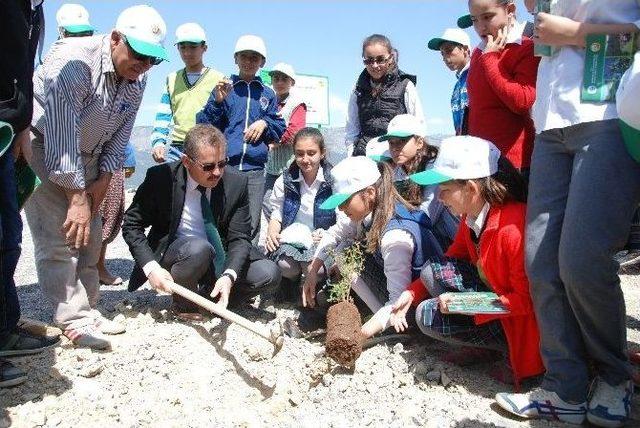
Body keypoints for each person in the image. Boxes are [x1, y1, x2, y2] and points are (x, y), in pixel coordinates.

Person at [495, 1, 640, 426]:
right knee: (540, 261)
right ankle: (566, 387)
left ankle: (615, 378)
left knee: (582, 259)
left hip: (609, 117)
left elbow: (634, 36)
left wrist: (574, 33)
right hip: (551, 125)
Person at [25, 5, 168, 350]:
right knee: (61, 234)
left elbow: (122, 133)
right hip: (46, 148)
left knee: (91, 236)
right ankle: (71, 319)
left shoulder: (139, 77)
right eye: (139, 55)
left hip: (92, 154)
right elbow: (62, 137)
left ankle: (88, 307)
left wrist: (103, 181)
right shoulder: (73, 64)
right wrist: (77, 197)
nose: (144, 65)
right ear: (116, 39)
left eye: (153, 59)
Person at [389, 136, 541, 386]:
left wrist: (467, 303)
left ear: (471, 188)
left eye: (445, 190)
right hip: (499, 309)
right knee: (430, 282)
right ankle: (490, 347)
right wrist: (412, 292)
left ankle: (507, 353)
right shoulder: (471, 216)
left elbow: (527, 301)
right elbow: (452, 258)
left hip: (522, 325)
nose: (440, 198)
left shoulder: (512, 227)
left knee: (431, 311)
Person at [122, 124, 281, 321]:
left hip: (220, 257)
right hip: (181, 255)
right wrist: (151, 267)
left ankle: (213, 300)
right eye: (208, 167)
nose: (216, 172)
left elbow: (240, 237)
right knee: (199, 248)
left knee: (269, 273)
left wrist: (229, 275)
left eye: (222, 164)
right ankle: (184, 302)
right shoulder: (161, 179)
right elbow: (131, 225)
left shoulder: (236, 182)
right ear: (187, 162)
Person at [302, 156, 444, 339]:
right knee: (344, 248)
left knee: (346, 255)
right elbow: (334, 233)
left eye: (345, 202)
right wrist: (313, 270)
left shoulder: (394, 237)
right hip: (404, 292)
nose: (341, 209)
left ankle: (389, 328)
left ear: (369, 192)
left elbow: (397, 300)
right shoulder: (376, 210)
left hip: (411, 309)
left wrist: (360, 335)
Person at [0, 0, 56, 388]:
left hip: (7, 129)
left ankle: (4, 330)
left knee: (7, 236)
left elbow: (20, 70)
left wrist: (21, 127)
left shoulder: (32, 9)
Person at [197, 34, 286, 241]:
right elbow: (205, 126)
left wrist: (265, 123)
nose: (248, 62)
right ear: (235, 59)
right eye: (244, 56)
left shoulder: (268, 93)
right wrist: (217, 102)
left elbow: (279, 127)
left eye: (254, 58)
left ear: (262, 62)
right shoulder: (224, 89)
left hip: (255, 170)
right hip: (226, 167)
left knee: (252, 221)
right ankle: (220, 264)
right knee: (222, 216)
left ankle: (248, 267)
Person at [465, 0, 540, 179]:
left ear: (510, 10)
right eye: (474, 20)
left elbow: (521, 101)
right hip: (481, 163)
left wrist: (491, 59)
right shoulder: (478, 53)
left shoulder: (526, 47)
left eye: (488, 17)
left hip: (513, 164)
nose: (480, 27)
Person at [266, 127, 335, 300]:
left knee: (314, 269)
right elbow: (277, 210)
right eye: (300, 153)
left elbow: (342, 216)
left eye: (311, 153)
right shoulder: (286, 179)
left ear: (322, 153)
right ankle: (290, 285)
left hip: (321, 238)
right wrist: (273, 230)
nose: (305, 159)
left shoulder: (333, 180)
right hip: (293, 238)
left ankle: (317, 290)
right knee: (284, 265)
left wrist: (327, 234)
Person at [377, 114, 459, 251]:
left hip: (450, 239)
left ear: (419, 142)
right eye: (391, 142)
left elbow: (427, 215)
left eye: (401, 141)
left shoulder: (433, 169)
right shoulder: (398, 172)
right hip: (427, 235)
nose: (395, 148)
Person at [151, 23, 224, 163]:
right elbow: (164, 114)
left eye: (193, 47)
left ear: (204, 48)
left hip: (207, 147)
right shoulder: (171, 79)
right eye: (182, 47)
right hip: (177, 147)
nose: (187, 53)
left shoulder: (218, 79)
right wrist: (158, 142)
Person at [345, 34, 425, 157]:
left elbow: (418, 124)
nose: (375, 65)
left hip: (396, 156)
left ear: (391, 58)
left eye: (380, 59)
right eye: (369, 60)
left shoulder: (405, 85)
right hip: (365, 154)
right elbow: (352, 128)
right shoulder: (357, 89)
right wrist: (351, 156)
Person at [263, 62, 307, 204]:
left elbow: (295, 130)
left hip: (289, 166)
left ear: (291, 82)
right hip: (271, 166)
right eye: (276, 79)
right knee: (267, 202)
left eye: (284, 79)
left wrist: (276, 143)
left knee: (288, 203)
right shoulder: (268, 102)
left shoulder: (297, 104)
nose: (279, 82)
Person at [97, 142, 136, 285]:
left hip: (111, 156)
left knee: (107, 215)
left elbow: (121, 129)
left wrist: (129, 157)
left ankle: (98, 267)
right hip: (81, 153)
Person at [427, 28, 472, 136]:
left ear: (465, 49)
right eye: (442, 54)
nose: (445, 57)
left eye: (449, 50)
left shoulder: (479, 74)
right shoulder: (457, 87)